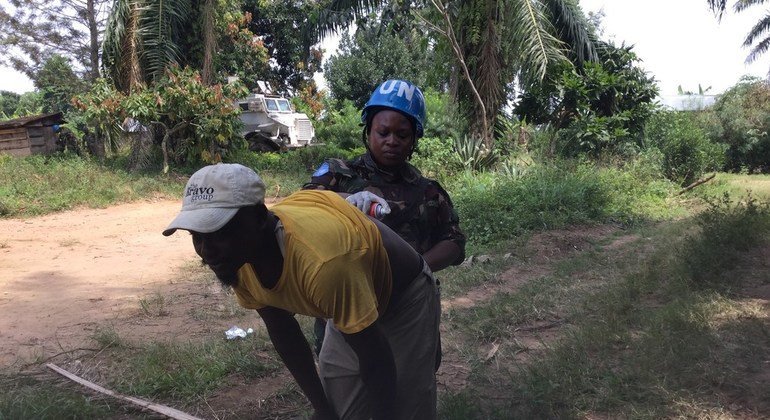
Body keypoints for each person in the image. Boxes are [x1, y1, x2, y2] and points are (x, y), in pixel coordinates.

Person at [163, 163, 440, 420]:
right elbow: (283, 331)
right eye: (197, 236)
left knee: (404, 406)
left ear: (260, 218)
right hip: (351, 291)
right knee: (339, 410)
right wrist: (322, 409)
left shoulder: (325, 264)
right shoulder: (235, 258)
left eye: (219, 232)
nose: (206, 251)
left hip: (404, 295)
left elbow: (375, 360)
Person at [303, 79, 466, 354]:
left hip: (408, 302)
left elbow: (454, 239)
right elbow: (304, 206)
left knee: (409, 382)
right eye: (383, 132)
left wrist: (416, 268)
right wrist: (345, 201)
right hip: (347, 302)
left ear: (414, 139)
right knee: (345, 386)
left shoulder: (427, 190)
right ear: (368, 131)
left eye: (402, 135)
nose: (392, 141)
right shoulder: (339, 174)